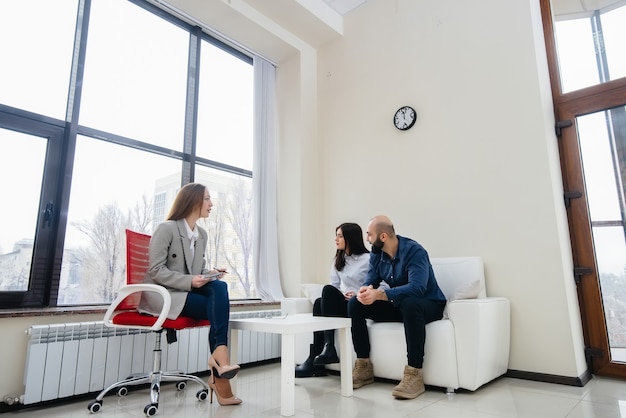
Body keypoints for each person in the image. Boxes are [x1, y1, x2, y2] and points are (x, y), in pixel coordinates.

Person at [138, 182, 242, 406]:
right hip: (164, 295)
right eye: (207, 199)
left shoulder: (201, 234)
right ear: (193, 201)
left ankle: (220, 362)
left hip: (185, 291)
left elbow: (196, 272)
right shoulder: (167, 229)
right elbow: (155, 271)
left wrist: (210, 273)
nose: (211, 204)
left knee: (219, 287)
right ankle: (220, 368)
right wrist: (190, 280)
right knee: (217, 307)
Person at [347, 215, 446, 399]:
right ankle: (363, 367)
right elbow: (371, 280)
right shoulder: (377, 255)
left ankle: (414, 374)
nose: (367, 239)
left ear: (383, 236)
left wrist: (381, 294)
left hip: (429, 304)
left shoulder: (414, 251)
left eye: (369, 234)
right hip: (401, 306)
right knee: (356, 304)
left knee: (410, 303)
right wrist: (366, 290)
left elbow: (417, 288)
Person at [295, 222, 370, 378]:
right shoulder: (338, 260)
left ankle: (327, 349)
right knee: (319, 301)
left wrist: (357, 294)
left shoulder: (368, 259)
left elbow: (379, 284)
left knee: (327, 292)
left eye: (340, 236)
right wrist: (343, 294)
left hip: (359, 303)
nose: (336, 239)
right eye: (336, 236)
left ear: (350, 238)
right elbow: (335, 287)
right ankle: (316, 359)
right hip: (343, 302)